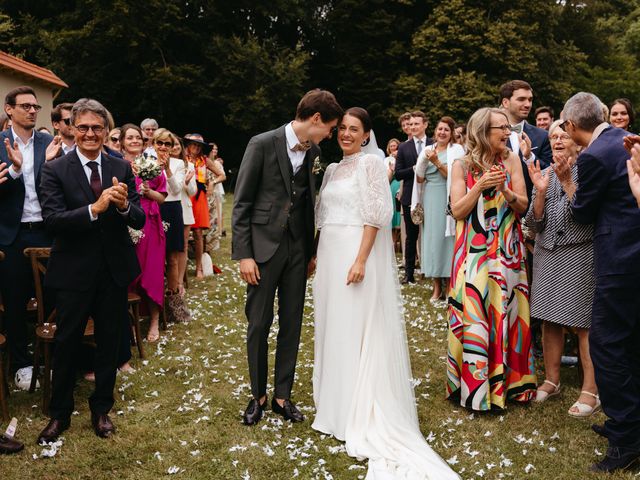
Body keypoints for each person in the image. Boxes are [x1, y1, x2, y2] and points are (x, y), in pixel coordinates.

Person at [313, 107, 459, 479]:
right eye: (342, 128)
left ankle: (357, 405)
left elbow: (375, 215)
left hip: (354, 255)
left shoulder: (372, 164)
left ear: (366, 135)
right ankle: (334, 403)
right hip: (329, 254)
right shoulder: (331, 169)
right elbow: (324, 216)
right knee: (333, 325)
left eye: (354, 129)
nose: (346, 134)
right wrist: (316, 255)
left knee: (355, 326)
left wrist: (361, 259)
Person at [232, 89, 343, 426]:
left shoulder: (316, 152)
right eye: (331, 127)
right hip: (263, 249)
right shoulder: (262, 143)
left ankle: (282, 396)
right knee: (259, 323)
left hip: (298, 248)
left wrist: (311, 252)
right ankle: (258, 395)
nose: (331, 135)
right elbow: (242, 203)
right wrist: (244, 255)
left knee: (292, 323)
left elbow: (310, 202)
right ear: (315, 119)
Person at [37, 98, 145, 443]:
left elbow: (139, 217)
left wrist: (126, 205)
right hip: (73, 272)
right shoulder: (55, 169)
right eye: (82, 127)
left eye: (97, 127)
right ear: (71, 127)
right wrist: (94, 209)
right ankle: (59, 414)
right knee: (67, 343)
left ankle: (101, 410)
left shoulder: (121, 166)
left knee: (110, 343)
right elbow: (53, 221)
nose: (89, 133)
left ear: (105, 130)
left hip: (112, 271)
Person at [558, 92, 640, 473]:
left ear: (573, 126)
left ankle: (626, 439)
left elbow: (582, 213)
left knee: (606, 345)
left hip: (620, 260)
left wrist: (565, 182)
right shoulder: (626, 141)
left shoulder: (593, 155)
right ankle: (629, 422)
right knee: (629, 341)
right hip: (633, 258)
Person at [447, 107, 536, 411]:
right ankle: (475, 386)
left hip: (507, 251)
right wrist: (480, 186)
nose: (507, 133)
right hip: (474, 252)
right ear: (483, 131)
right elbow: (457, 210)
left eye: (508, 128)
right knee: (475, 310)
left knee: (509, 310)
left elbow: (523, 205)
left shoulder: (512, 160)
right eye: (501, 128)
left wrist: (505, 190)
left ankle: (512, 385)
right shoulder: (461, 165)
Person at [524, 120, 599, 417]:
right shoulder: (542, 173)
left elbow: (587, 213)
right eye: (553, 136)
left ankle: (591, 391)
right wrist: (540, 192)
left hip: (578, 254)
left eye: (563, 135)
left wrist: (567, 181)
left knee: (583, 324)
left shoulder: (591, 171)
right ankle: (552, 380)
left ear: (578, 142)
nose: (556, 140)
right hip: (546, 254)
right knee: (548, 319)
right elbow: (533, 222)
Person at [0, 86, 55, 390]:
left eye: (36, 106)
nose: (33, 110)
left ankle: (51, 359)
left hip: (46, 229)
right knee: (16, 301)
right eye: (26, 106)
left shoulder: (49, 143)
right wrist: (16, 170)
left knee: (53, 297)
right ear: (9, 109)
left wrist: (54, 166)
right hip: (12, 233)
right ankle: (21, 364)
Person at [121, 123, 167, 343]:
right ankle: (129, 323)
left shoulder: (153, 164)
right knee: (129, 273)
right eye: (129, 138)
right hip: (123, 223)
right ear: (121, 142)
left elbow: (163, 197)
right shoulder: (116, 165)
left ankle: (155, 321)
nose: (135, 141)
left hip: (150, 222)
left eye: (137, 137)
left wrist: (149, 191)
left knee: (152, 271)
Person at [415, 116, 463, 301]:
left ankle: (451, 286)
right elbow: (419, 179)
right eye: (440, 129)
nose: (442, 132)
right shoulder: (428, 150)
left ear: (451, 134)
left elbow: (454, 175)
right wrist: (423, 163)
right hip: (430, 197)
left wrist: (436, 162)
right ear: (435, 131)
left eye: (446, 130)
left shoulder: (457, 150)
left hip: (449, 196)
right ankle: (436, 287)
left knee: (448, 239)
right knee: (432, 240)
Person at [156, 129, 190, 323]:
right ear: (153, 144)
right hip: (154, 208)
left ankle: (174, 305)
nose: (163, 147)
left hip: (172, 208)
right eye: (159, 143)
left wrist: (167, 168)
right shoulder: (146, 161)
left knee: (173, 258)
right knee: (155, 257)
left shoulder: (178, 164)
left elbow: (177, 188)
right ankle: (155, 303)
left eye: (167, 144)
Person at [394, 110, 431, 284]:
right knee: (411, 237)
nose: (414, 127)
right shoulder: (403, 147)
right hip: (410, 198)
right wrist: (414, 169)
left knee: (431, 235)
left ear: (425, 124)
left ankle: (431, 271)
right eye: (412, 124)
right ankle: (409, 274)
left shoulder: (434, 143)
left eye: (417, 123)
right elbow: (398, 174)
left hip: (431, 196)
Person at [183, 133, 219, 278]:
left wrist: (212, 183)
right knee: (184, 233)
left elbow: (222, 175)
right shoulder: (182, 158)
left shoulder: (204, 160)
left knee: (198, 233)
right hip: (185, 193)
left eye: (199, 145)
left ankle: (199, 268)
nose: (196, 147)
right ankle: (182, 268)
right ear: (188, 145)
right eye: (193, 144)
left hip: (199, 196)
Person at [172, 135, 197, 294]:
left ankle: (180, 282)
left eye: (176, 145)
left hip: (184, 208)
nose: (174, 148)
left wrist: (187, 183)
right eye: (171, 144)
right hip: (166, 208)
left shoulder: (189, 166)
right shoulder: (158, 164)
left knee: (183, 247)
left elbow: (193, 192)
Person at [384, 138, 401, 249]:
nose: (393, 148)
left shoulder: (401, 158)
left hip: (399, 185)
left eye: (395, 146)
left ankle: (399, 242)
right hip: (390, 186)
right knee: (393, 211)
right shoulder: (386, 160)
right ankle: (393, 244)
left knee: (399, 214)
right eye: (391, 146)